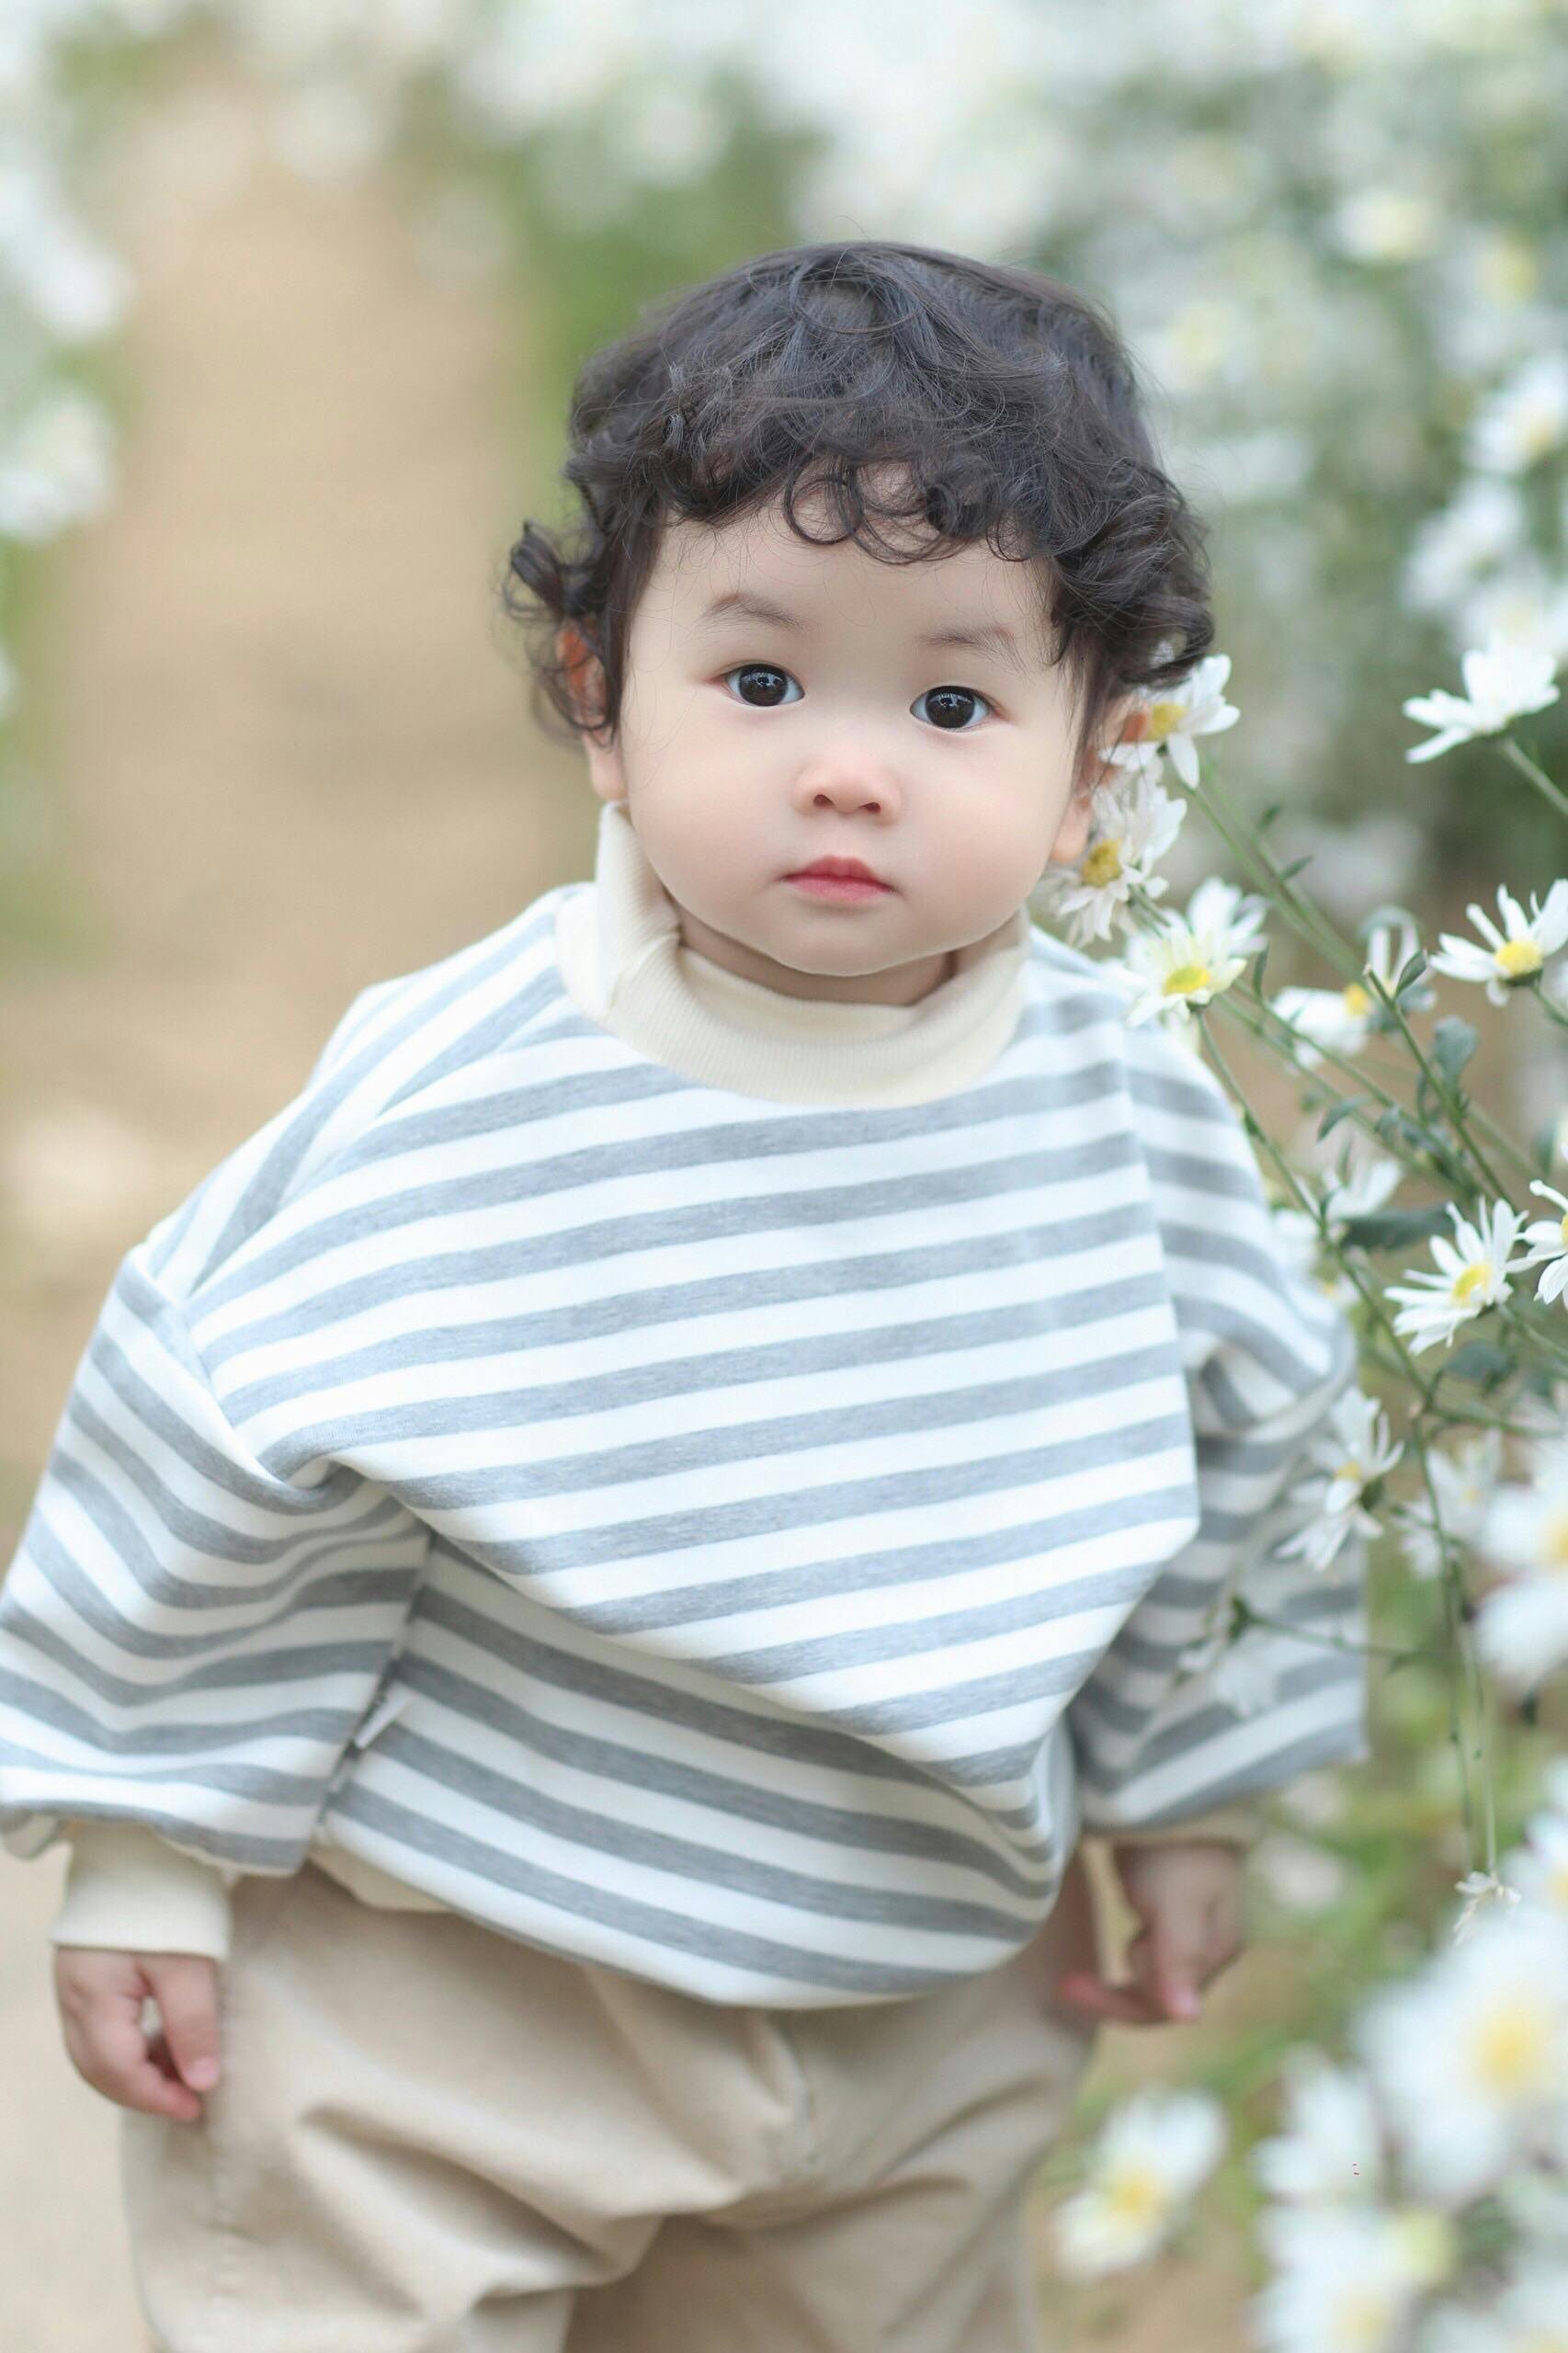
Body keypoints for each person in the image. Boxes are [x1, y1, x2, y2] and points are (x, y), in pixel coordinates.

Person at [0, 240, 1367, 2352]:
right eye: (758, 680)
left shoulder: (1125, 1107)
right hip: (444, 1988)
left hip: (912, 1994)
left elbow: (1245, 1445)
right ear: (595, 698)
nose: (848, 768)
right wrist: (158, 1845)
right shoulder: (475, 1085)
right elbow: (224, 1446)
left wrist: (1183, 1792)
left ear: (1092, 765)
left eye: (950, 701)